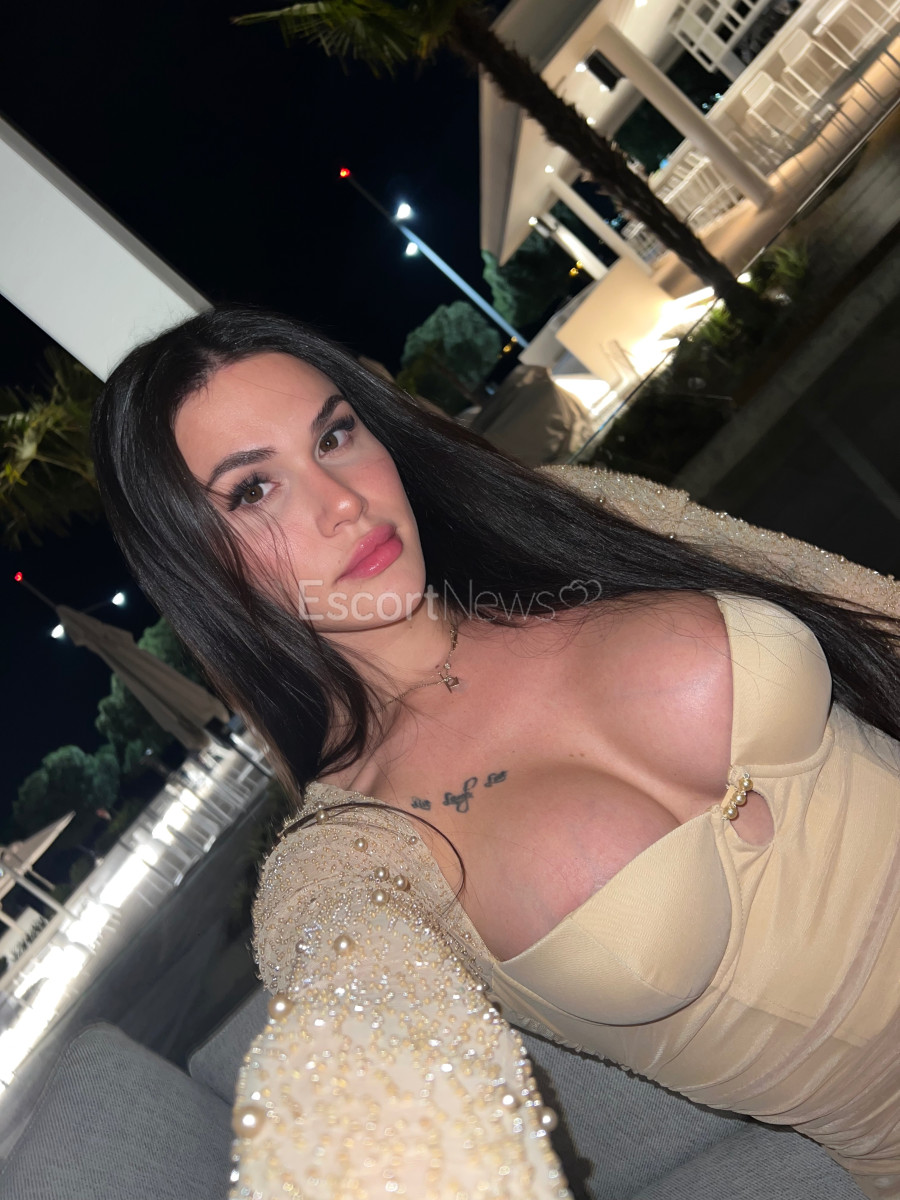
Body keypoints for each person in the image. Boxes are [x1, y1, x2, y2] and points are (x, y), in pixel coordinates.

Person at [91, 307, 900, 1200]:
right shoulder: (347, 862)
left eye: (334, 435)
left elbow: (862, 608)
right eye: (253, 491)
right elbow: (360, 1077)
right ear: (195, 565)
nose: (343, 501)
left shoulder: (567, 518)